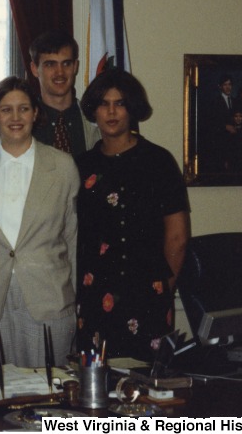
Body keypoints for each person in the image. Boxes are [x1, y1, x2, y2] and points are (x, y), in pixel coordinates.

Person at [75, 69, 190, 361]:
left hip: (147, 293)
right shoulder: (81, 166)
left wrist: (163, 289)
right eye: (104, 104)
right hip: (95, 295)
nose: (112, 112)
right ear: (94, 110)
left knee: (147, 381)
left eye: (120, 103)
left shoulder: (158, 161)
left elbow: (177, 236)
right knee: (97, 381)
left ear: (132, 108)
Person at [0, 77, 79, 367]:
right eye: (6, 110)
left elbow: (73, 238)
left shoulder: (63, 166)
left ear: (35, 113)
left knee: (48, 389)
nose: (15, 117)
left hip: (49, 299)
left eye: (24, 109)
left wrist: (76, 299)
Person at [29, 30, 101, 157]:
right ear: (35, 69)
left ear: (75, 67)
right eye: (50, 64)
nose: (60, 72)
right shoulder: (22, 122)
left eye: (66, 64)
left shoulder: (96, 121)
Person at [202, 74, 235, 172]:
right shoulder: (214, 102)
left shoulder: (236, 101)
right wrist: (225, 126)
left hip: (234, 141)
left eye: (229, 84)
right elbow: (209, 122)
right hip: (220, 142)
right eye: (225, 84)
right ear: (220, 86)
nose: (228, 87)